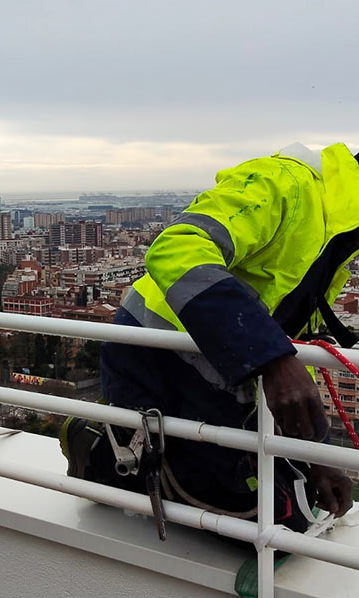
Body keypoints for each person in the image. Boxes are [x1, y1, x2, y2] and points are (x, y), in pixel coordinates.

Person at [61, 142, 357, 533]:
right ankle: (100, 448)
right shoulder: (285, 181)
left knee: (287, 504)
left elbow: (293, 340)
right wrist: (272, 359)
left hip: (223, 365)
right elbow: (177, 246)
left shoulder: (339, 230)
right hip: (157, 350)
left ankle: (144, 453)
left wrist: (316, 453)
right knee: (275, 522)